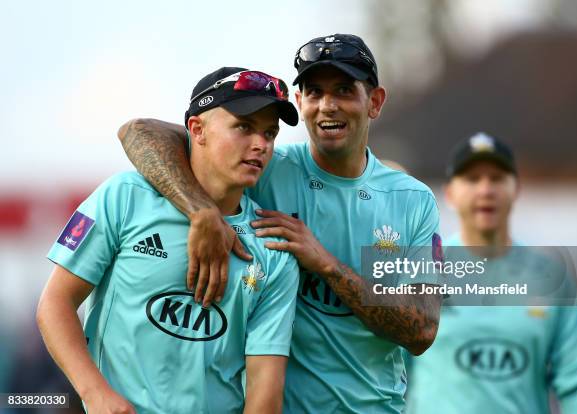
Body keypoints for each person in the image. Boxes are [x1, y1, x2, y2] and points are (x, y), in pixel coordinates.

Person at [116, 34, 443, 413]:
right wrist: (200, 211)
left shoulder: (413, 201)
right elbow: (139, 131)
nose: (328, 106)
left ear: (375, 102)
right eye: (314, 92)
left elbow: (421, 331)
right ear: (300, 102)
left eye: (343, 90)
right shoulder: (265, 166)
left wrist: (326, 265)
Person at [37, 67, 300, 414]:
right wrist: (95, 394)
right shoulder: (124, 197)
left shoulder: (272, 248)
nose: (261, 145)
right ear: (197, 129)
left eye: (269, 133)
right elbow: (55, 304)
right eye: (244, 127)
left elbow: (264, 392)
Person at [404, 132, 577, 413]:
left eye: (497, 178)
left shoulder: (551, 278)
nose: (486, 190)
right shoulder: (421, 271)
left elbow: (575, 380)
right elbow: (392, 373)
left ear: (516, 189)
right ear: (449, 193)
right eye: (472, 179)